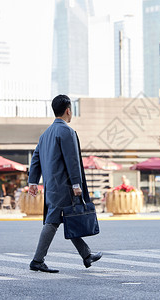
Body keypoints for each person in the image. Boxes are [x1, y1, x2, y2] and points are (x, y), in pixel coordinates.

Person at [27, 94, 102, 273]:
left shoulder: (45, 135)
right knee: (53, 222)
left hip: (52, 186)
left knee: (68, 219)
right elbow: (72, 160)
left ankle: (86, 255)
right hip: (64, 186)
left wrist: (33, 181)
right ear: (68, 110)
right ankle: (37, 260)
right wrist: (76, 184)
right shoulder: (66, 131)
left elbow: (35, 159)